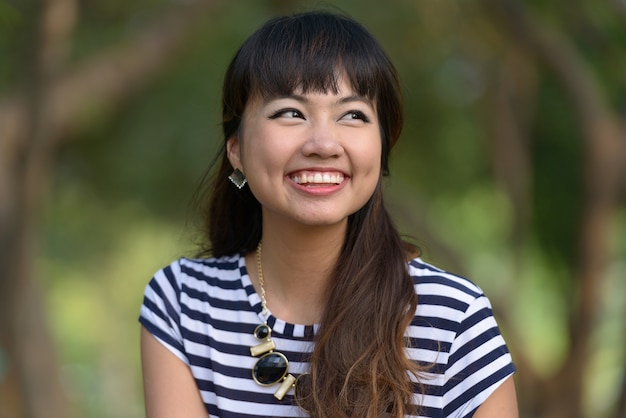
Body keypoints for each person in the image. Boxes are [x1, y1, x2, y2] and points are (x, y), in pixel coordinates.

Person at [139, 10, 518, 418]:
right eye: (290, 113)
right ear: (236, 151)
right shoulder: (184, 304)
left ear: (381, 149)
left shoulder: (453, 319)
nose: (323, 143)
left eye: (353, 115)